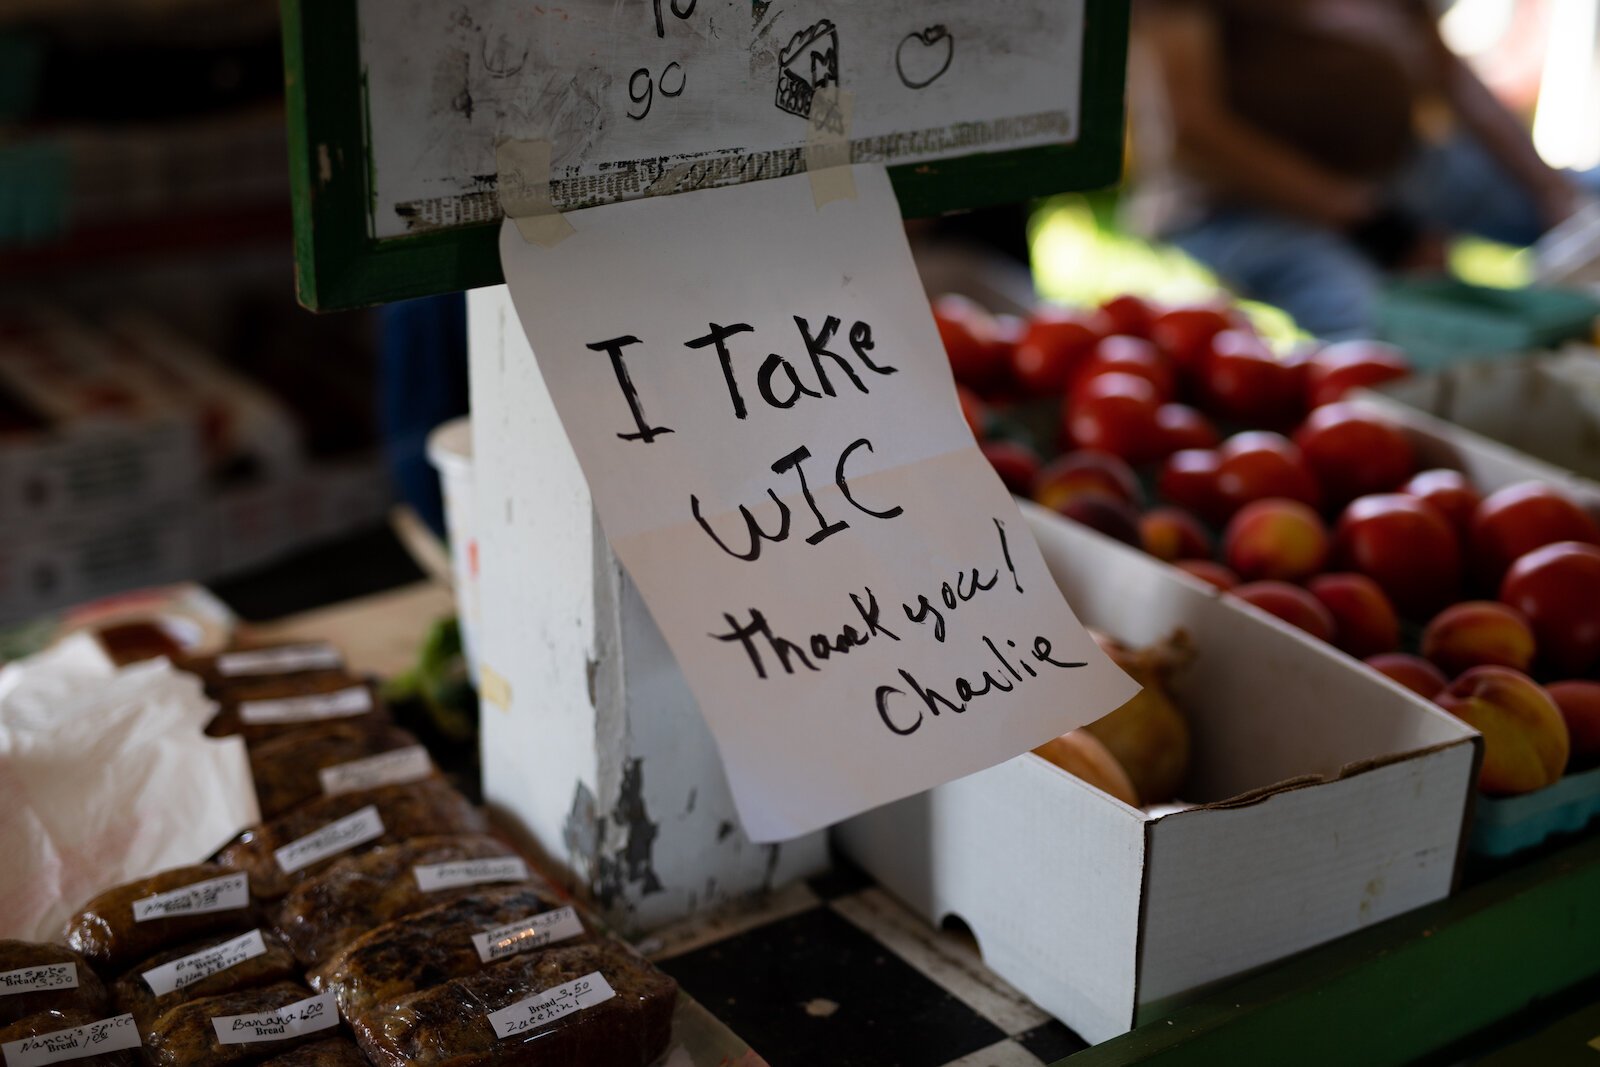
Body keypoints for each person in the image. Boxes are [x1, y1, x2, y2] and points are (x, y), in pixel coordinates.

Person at [1126, 0, 1599, 338]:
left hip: (1403, 166)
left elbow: (1454, 80)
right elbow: (1191, 127)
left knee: (1592, 209)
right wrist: (1377, 226)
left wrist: (1553, 192)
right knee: (1378, 334)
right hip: (1238, 205)